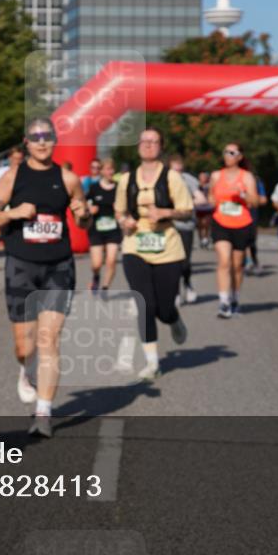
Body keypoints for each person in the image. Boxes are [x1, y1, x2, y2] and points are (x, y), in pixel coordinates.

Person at [0, 118, 91, 438]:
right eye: (36, 137)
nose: (42, 142)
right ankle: (26, 367)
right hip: (21, 264)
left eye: (47, 136)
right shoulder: (12, 177)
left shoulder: (68, 178)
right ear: (26, 142)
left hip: (59, 265)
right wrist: (14, 213)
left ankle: (43, 412)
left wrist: (84, 214)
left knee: (49, 339)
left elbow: (83, 220)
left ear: (55, 140)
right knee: (25, 345)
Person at [115, 128, 193, 380]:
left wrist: (165, 213)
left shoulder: (172, 178)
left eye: (154, 141)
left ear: (161, 146)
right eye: (144, 141)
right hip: (134, 246)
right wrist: (124, 221)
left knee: (164, 309)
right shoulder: (126, 180)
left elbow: (187, 211)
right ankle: (152, 362)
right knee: (145, 304)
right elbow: (119, 211)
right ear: (138, 145)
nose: (148, 145)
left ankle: (174, 319)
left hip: (167, 247)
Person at [209, 142, 259, 318]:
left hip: (241, 224)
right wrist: (210, 201)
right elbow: (211, 197)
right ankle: (223, 302)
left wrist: (243, 194)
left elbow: (255, 201)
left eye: (232, 152)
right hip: (220, 222)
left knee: (237, 266)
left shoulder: (247, 177)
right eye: (226, 152)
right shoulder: (216, 175)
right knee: (224, 261)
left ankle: (235, 298)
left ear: (240, 157)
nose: (228, 155)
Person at [167, 154, 206, 304]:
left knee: (185, 262)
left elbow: (201, 199)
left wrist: (185, 203)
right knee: (171, 261)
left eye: (180, 170)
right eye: (174, 170)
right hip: (168, 226)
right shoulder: (163, 180)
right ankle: (175, 292)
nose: (177, 173)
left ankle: (187, 284)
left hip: (186, 225)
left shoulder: (188, 180)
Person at [85, 157, 121, 293]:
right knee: (97, 264)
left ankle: (105, 287)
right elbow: (86, 205)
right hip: (96, 229)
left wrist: (120, 210)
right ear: (101, 171)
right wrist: (90, 209)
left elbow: (126, 207)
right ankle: (96, 276)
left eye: (112, 169)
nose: (110, 172)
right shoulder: (94, 188)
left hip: (113, 229)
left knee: (111, 261)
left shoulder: (119, 188)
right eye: (107, 169)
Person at [244, 167, 268, 274]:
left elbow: (263, 200)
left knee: (251, 238)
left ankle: (252, 260)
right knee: (239, 239)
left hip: (251, 212)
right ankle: (246, 260)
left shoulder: (257, 182)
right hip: (235, 213)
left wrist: (252, 198)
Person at [195, 170, 213, 248]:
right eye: (201, 177)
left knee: (206, 224)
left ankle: (206, 238)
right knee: (200, 225)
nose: (202, 178)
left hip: (208, 208)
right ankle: (201, 239)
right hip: (198, 208)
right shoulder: (196, 185)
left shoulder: (209, 186)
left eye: (203, 177)